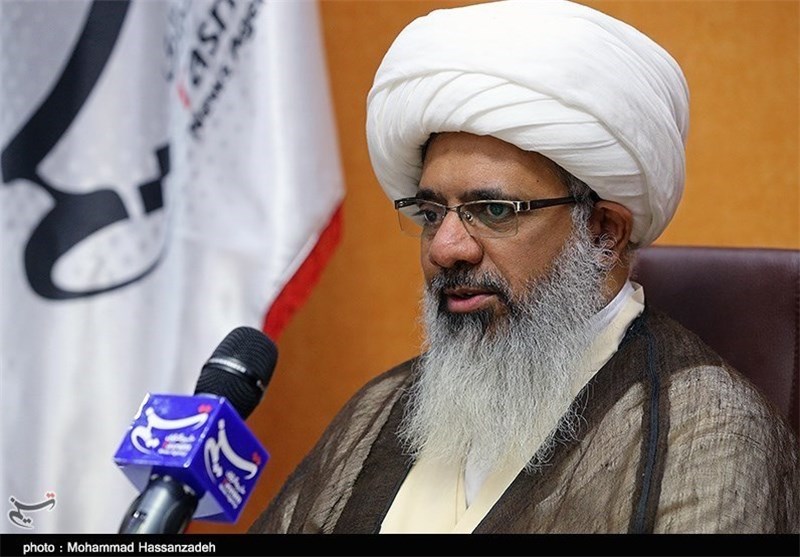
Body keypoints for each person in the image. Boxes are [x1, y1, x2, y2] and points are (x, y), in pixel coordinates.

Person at [249, 0, 798, 534]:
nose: (445, 248)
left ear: (604, 232)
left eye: (494, 211)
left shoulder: (707, 430)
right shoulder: (381, 407)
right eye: (432, 213)